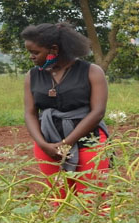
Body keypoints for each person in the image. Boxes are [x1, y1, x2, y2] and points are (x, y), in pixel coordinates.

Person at [21, 23, 110, 200]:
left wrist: (67, 143)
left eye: (35, 52)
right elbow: (30, 113)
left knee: (92, 200)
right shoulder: (32, 76)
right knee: (59, 199)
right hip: (48, 145)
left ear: (54, 49)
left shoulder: (91, 71)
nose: (31, 56)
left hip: (89, 142)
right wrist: (43, 144)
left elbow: (98, 112)